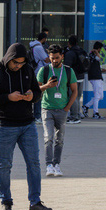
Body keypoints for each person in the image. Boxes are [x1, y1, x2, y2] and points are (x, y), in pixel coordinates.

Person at [0, 43, 52, 210]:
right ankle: (6, 202)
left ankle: (35, 203)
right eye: (15, 63)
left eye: (21, 63)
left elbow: (37, 93)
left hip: (27, 125)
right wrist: (8, 97)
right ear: (8, 58)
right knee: (4, 165)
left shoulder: (27, 70)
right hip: (4, 125)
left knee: (34, 164)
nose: (18, 66)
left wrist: (31, 96)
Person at [36, 44, 76, 177]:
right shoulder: (44, 70)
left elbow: (74, 91)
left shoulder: (69, 71)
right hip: (47, 108)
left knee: (60, 138)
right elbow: (36, 89)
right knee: (48, 137)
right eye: (52, 58)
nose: (54, 61)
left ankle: (56, 164)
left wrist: (67, 108)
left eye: (57, 58)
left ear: (62, 56)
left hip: (62, 109)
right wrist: (47, 85)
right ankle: (48, 165)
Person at [62, 35, 87, 124]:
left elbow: (66, 67)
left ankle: (74, 117)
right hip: (81, 76)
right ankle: (77, 114)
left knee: (73, 97)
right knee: (77, 97)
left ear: (69, 43)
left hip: (73, 78)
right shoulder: (81, 51)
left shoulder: (70, 53)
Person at [82, 41, 105, 119]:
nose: (100, 51)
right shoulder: (92, 55)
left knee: (100, 96)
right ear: (98, 49)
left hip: (98, 76)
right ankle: (96, 113)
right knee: (97, 95)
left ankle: (86, 106)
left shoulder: (92, 54)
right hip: (95, 77)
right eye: (100, 49)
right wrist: (95, 52)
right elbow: (99, 58)